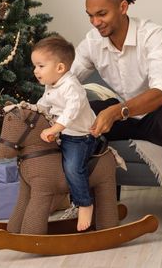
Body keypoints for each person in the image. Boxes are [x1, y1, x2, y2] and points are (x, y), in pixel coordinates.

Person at [71, 0, 162, 252]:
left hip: (158, 115)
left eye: (101, 14)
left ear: (123, 7)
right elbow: (68, 78)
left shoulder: (154, 35)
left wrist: (116, 111)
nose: (95, 22)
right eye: (89, 15)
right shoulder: (93, 41)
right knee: (82, 113)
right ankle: (83, 204)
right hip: (125, 115)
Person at [31, 34, 99, 232]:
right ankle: (60, 202)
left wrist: (54, 128)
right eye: (35, 66)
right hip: (63, 134)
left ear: (60, 68)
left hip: (81, 137)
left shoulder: (71, 86)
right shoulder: (51, 84)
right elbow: (43, 104)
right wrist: (33, 114)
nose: (36, 71)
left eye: (41, 66)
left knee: (72, 168)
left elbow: (72, 110)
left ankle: (85, 204)